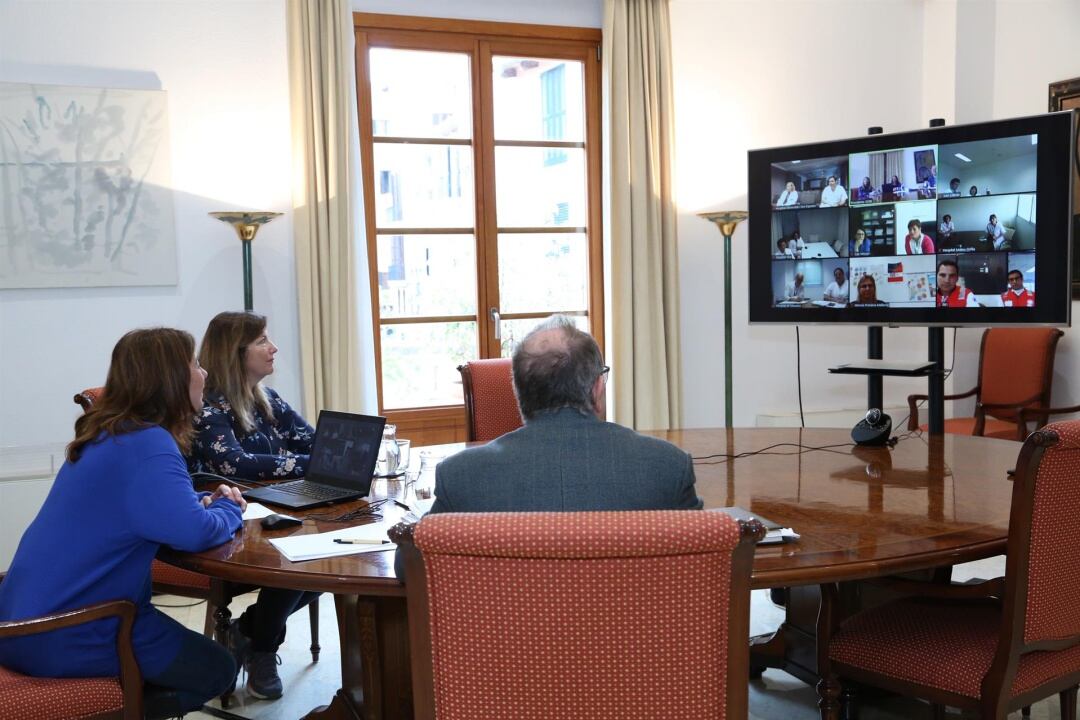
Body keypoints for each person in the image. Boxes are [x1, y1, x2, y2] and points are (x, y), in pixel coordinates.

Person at [0, 328, 244, 719]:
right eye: (196, 364)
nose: (204, 373)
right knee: (217, 669)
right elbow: (194, 532)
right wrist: (231, 508)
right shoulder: (150, 443)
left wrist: (195, 504)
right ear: (171, 380)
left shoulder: (106, 433)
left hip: (19, 622)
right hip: (73, 631)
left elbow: (147, 511)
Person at [399, 315, 701, 568]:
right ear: (597, 388)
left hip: (510, 638)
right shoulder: (667, 467)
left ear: (519, 395)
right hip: (634, 636)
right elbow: (710, 559)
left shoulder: (462, 476)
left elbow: (406, 566)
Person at [192, 311, 320, 700]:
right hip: (228, 520)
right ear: (236, 352)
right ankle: (262, 645)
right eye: (263, 340)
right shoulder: (209, 408)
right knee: (304, 561)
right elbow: (235, 464)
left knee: (329, 558)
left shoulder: (267, 400)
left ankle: (248, 633)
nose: (273, 347)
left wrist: (328, 461)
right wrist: (311, 465)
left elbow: (312, 442)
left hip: (278, 511)